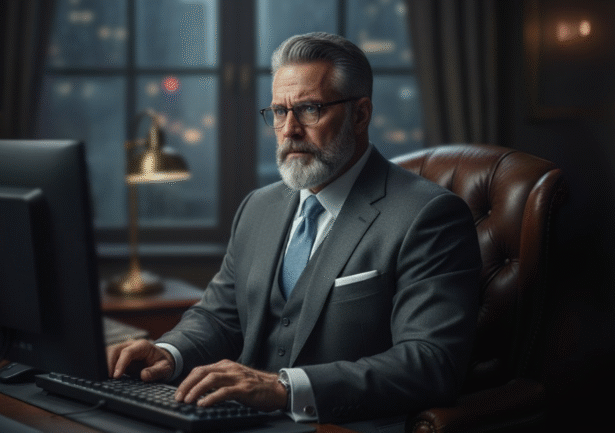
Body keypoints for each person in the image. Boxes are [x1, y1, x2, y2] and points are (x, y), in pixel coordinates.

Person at [107, 32, 481, 424]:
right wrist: (169, 353)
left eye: (309, 109)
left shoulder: (430, 215)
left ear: (361, 114)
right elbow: (219, 316)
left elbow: (430, 363)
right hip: (235, 422)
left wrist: (284, 388)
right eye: (279, 112)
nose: (289, 130)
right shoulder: (258, 207)